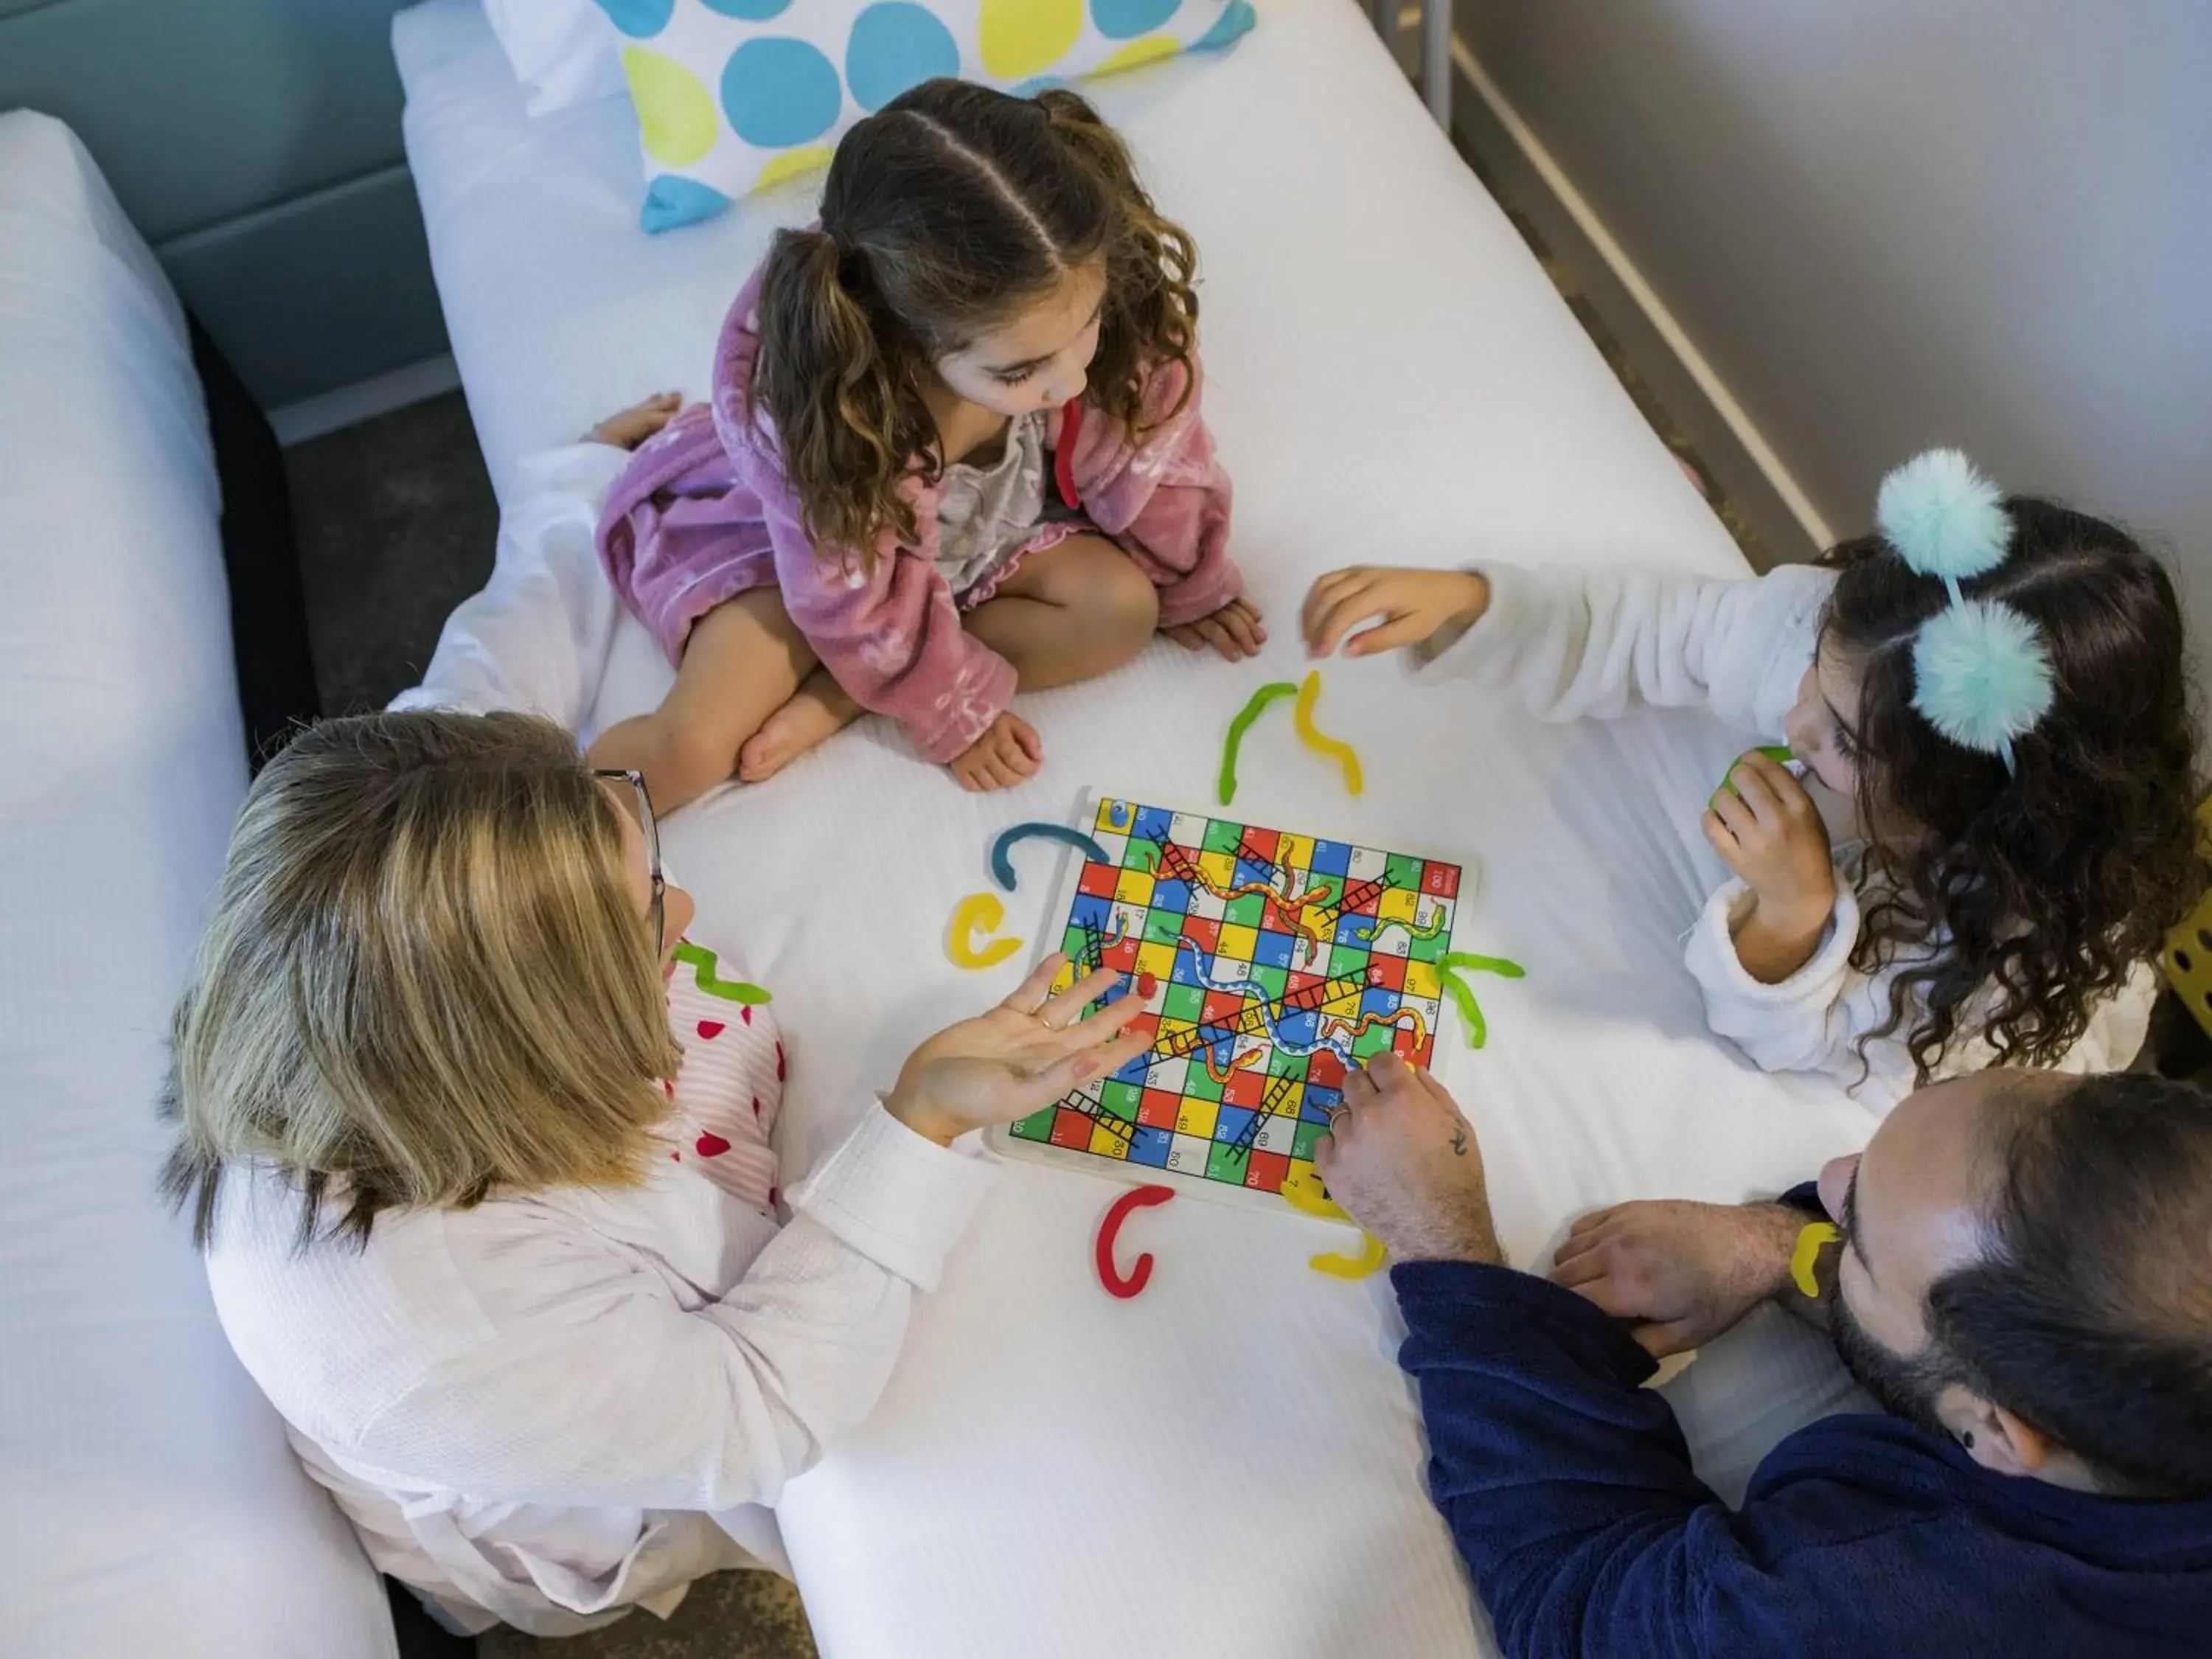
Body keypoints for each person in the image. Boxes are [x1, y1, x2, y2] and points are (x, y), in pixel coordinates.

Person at [163, 709, 1149, 1638]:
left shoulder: (348, 973)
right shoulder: (451, 1327)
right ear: (519, 1037)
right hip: (556, 1491)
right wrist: (922, 1118)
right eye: (646, 912)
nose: (684, 905)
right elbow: (756, 1414)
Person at [1301, 452, 2203, 1109]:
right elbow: (1655, 626)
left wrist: (1792, 918)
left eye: (1847, 743)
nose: (1796, 719)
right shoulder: (1847, 646)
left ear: (1964, 809)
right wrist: (1485, 608)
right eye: (1818, 667)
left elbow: (1856, 1063)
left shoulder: (2004, 951)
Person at [1314, 1051, 2212, 1658]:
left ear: (1989, 1434)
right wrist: (1781, 1246)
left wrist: (1439, 1238)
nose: (1826, 1179)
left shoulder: (1908, 1606)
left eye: (1852, 1233)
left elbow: (1581, 1603)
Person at [588, 78, 1261, 807]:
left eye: (1087, 325)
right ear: (909, 343)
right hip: (807, 557)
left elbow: (1157, 443)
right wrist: (947, 707)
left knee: (1122, 611)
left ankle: (860, 686)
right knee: (688, 749)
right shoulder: (842, 416)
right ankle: (505, 852)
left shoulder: (1077, 313)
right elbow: (844, 598)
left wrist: (1193, 578)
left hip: (961, 551)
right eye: (1021, 370)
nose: (1070, 382)